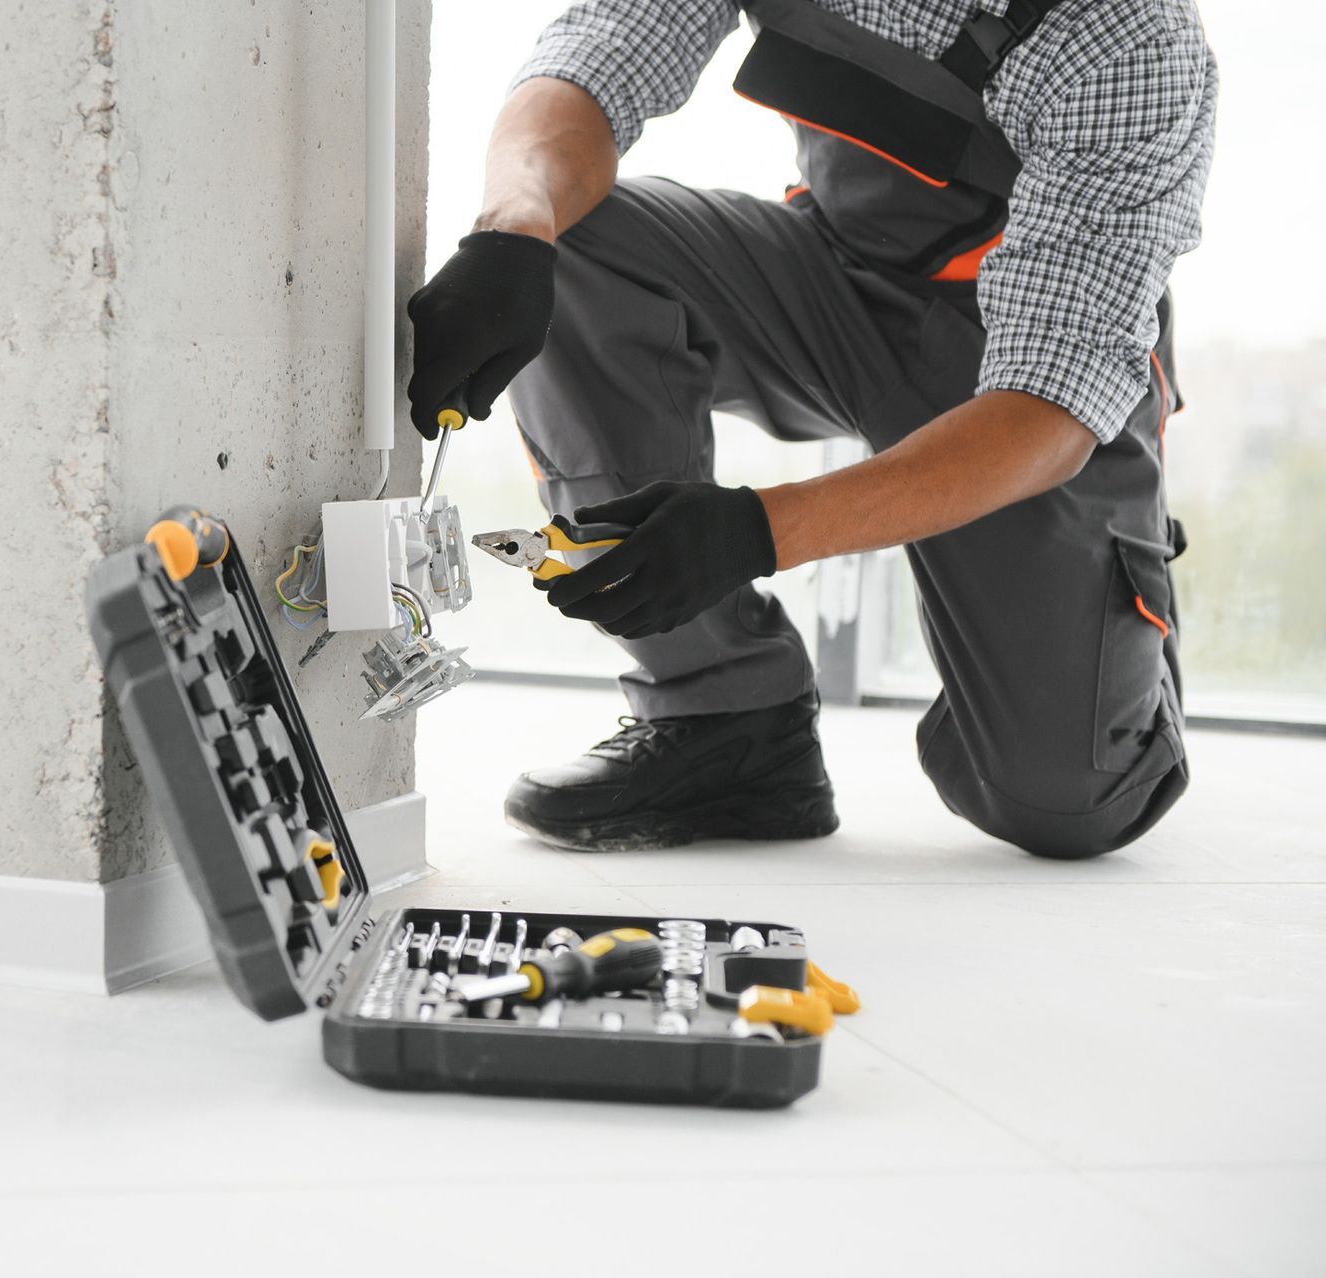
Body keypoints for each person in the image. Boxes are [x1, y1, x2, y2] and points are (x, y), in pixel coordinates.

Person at [406, 0, 1216, 859]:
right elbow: (603, 50)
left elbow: (1048, 405)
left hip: (1023, 386)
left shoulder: (1128, 36)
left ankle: (1110, 606)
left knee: (1068, 798)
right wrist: (513, 232)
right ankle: (727, 722)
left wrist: (756, 531)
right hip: (836, 289)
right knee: (572, 251)